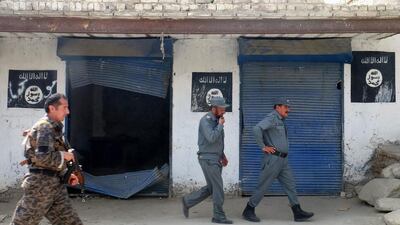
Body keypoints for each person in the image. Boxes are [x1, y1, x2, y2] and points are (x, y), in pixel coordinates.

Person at [10, 93, 83, 225]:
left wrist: (66, 173)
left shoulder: (54, 129)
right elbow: (42, 157)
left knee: (71, 222)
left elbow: (50, 158)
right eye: (64, 107)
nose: (68, 111)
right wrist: (64, 156)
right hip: (40, 187)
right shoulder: (45, 127)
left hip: (55, 185)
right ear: (52, 108)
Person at [242, 97, 314, 222]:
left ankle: (297, 212)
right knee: (263, 186)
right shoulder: (272, 118)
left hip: (283, 161)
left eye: (289, 107)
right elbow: (256, 129)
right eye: (286, 107)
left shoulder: (280, 119)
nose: (289, 110)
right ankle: (248, 210)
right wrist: (263, 147)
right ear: (277, 107)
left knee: (290, 185)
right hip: (273, 160)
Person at [182, 96, 233, 224]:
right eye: (222, 109)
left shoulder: (216, 120)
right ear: (214, 108)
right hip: (208, 159)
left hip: (215, 158)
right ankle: (219, 216)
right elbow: (211, 138)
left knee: (212, 188)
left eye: (224, 109)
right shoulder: (206, 120)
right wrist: (220, 126)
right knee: (218, 188)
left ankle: (188, 201)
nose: (224, 111)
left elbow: (218, 142)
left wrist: (223, 156)